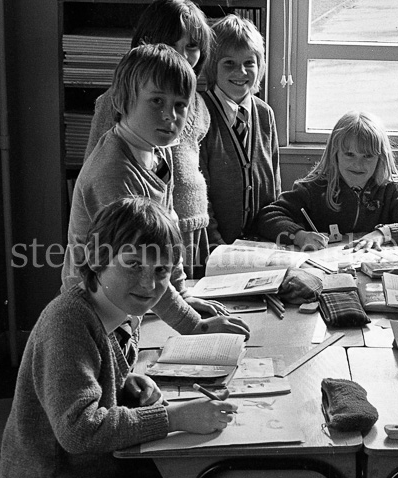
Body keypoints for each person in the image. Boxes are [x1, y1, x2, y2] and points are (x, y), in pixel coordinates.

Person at [0, 197, 238, 478]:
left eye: (161, 269)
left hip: (98, 476)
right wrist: (175, 417)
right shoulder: (68, 321)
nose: (149, 283)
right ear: (97, 258)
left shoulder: (125, 309)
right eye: (133, 264)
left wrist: (125, 385)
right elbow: (78, 431)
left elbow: (90, 381)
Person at [64, 43, 249, 337]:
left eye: (179, 105)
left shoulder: (157, 151)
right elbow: (147, 260)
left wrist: (183, 294)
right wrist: (193, 324)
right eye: (156, 102)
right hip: (93, 316)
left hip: (130, 299)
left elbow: (165, 240)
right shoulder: (114, 172)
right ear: (123, 102)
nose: (170, 116)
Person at [85, 0, 214, 279]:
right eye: (171, 43)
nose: (182, 54)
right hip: (139, 235)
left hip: (188, 227)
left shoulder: (198, 105)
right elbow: (98, 175)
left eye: (192, 46)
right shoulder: (118, 101)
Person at [256, 110, 398, 252]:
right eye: (349, 154)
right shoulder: (314, 187)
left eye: (368, 156)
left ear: (381, 158)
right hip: (326, 271)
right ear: (335, 154)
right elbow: (268, 216)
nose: (358, 164)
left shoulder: (392, 188)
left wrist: (382, 234)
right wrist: (299, 236)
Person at [200, 14, 282, 248]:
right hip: (214, 250)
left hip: (262, 247)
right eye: (229, 64)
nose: (241, 72)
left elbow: (275, 188)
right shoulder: (200, 114)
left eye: (249, 63)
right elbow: (198, 198)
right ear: (213, 66)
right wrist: (216, 249)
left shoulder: (265, 114)